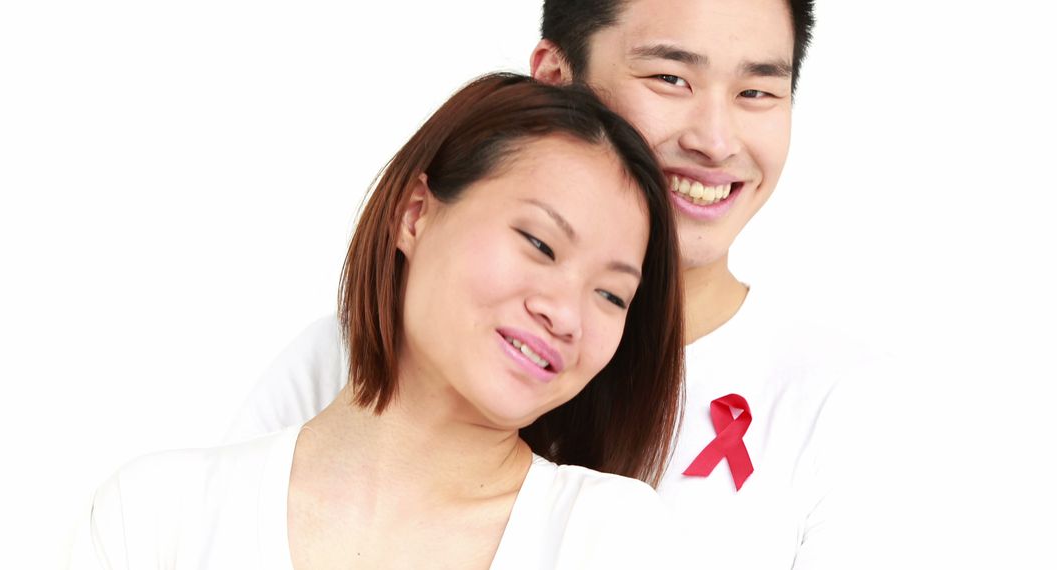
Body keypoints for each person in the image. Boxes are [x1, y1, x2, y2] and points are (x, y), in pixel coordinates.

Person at [229, 0, 881, 568]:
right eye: (669, 77)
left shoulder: (836, 404)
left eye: (758, 92)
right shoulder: (346, 363)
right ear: (555, 77)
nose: (715, 140)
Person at [70, 73, 688, 569]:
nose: (566, 314)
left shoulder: (612, 540)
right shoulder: (154, 516)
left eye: (611, 296)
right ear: (415, 213)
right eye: (539, 243)